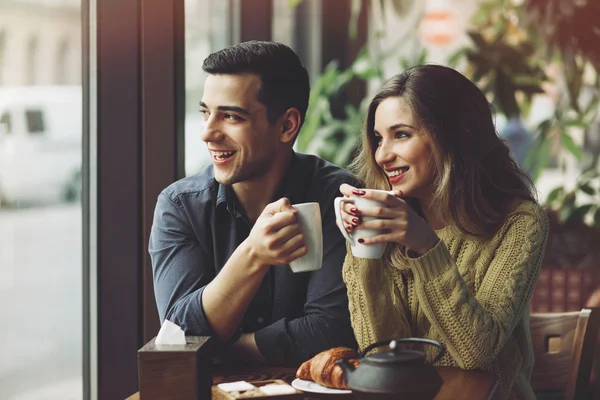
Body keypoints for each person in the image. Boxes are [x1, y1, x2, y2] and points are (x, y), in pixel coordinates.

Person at [336, 65, 548, 399]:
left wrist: (425, 246)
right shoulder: (389, 223)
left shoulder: (520, 223)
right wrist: (363, 250)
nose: (382, 155)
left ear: (454, 135)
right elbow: (378, 355)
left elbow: (476, 354)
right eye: (378, 139)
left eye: (401, 134)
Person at [149, 41, 358, 367]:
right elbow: (180, 340)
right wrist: (253, 255)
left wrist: (219, 348)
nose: (207, 133)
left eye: (230, 116)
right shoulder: (180, 206)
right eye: (206, 113)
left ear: (287, 126)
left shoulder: (338, 197)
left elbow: (330, 333)